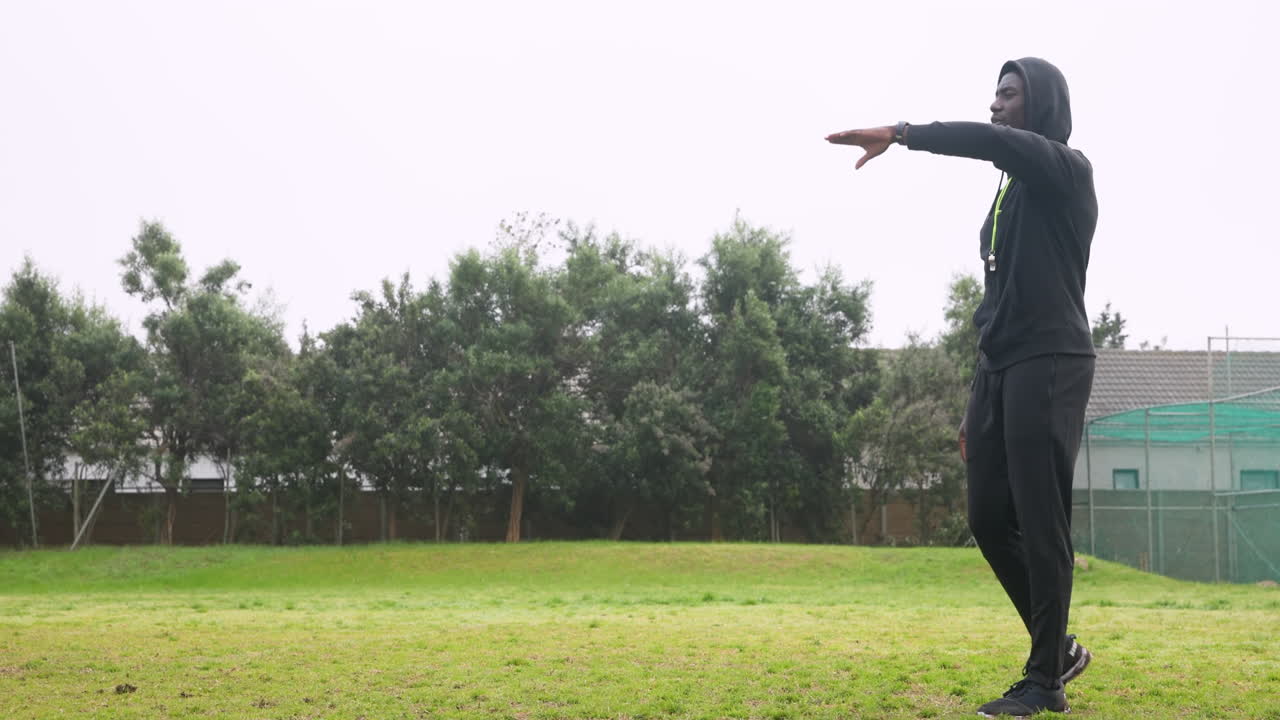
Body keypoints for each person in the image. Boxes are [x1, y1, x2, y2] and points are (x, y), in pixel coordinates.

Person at [825, 57, 1097, 717]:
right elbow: (998, 296)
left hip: (1050, 360)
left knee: (1041, 520)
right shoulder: (1008, 194)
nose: (997, 105)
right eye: (994, 95)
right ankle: (1055, 645)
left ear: (1044, 107)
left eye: (1009, 95)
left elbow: (993, 142)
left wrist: (902, 131)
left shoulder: (1066, 169)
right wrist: (981, 395)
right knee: (986, 515)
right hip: (1000, 366)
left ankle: (1044, 682)